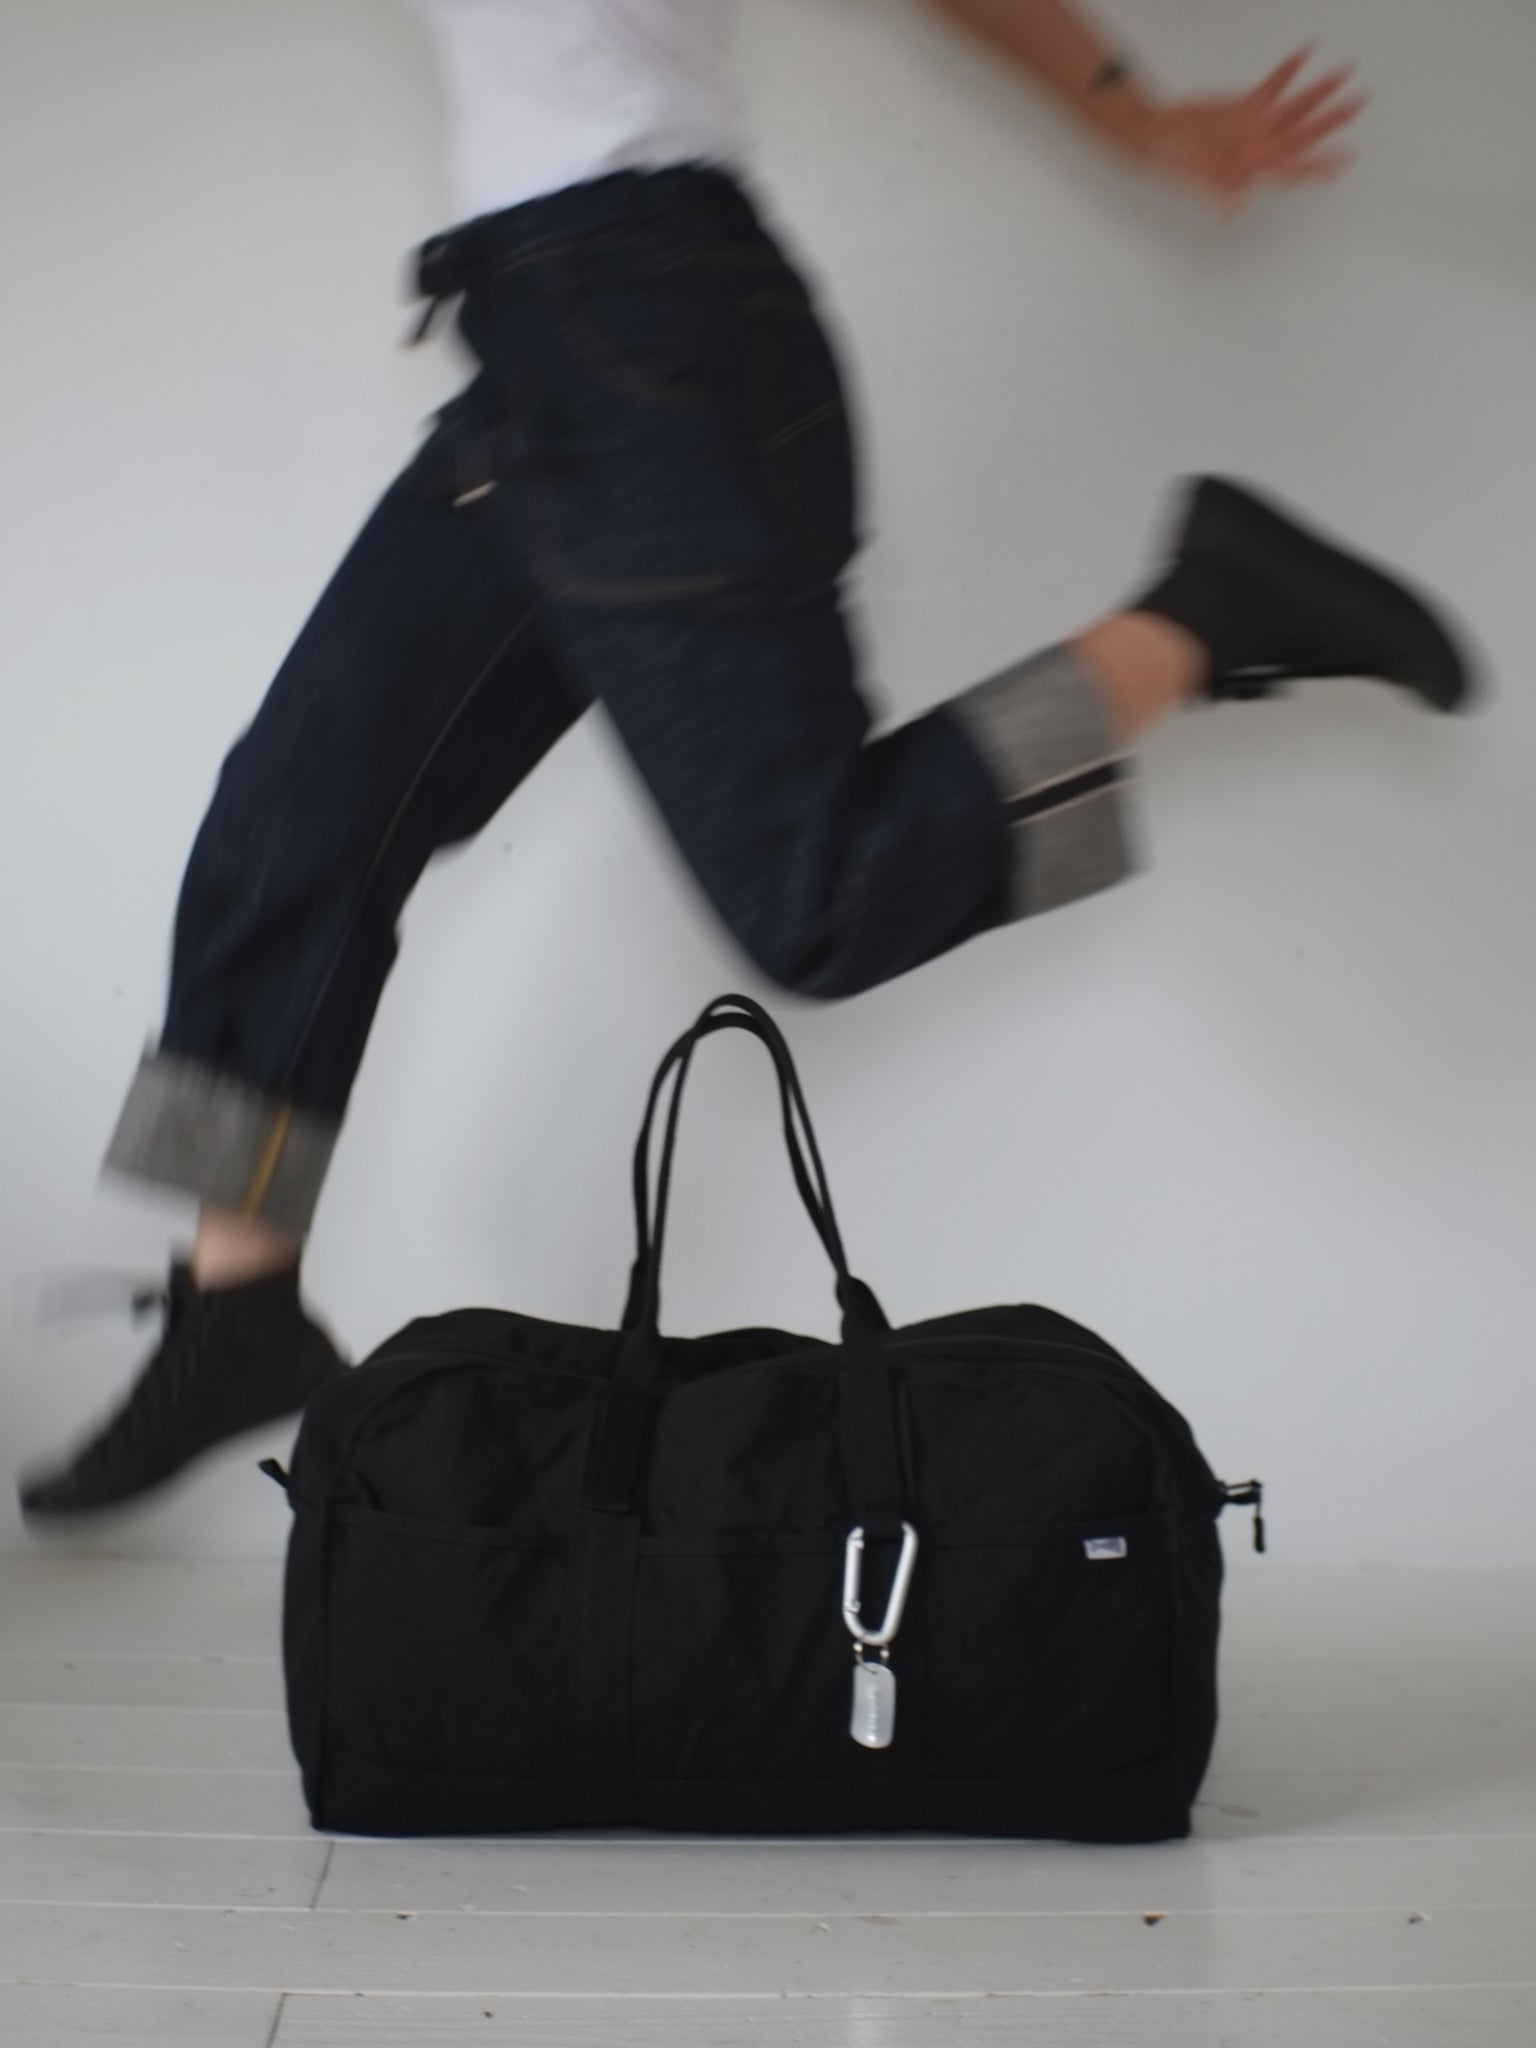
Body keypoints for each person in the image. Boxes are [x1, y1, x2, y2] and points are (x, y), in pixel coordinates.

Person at [20, 0, 1475, 1518]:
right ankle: (237, 1309)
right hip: (540, 349)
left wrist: (1132, 110)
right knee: (292, 823)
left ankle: (1208, 612)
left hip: (651, 329)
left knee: (818, 899)